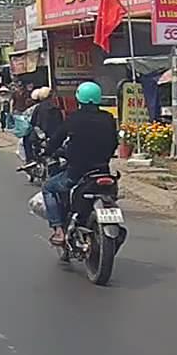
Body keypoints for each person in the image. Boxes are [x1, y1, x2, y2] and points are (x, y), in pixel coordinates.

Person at [41, 81, 118, 246]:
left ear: (79, 99)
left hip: (77, 172)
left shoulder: (73, 118)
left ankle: (58, 230)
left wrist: (47, 151)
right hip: (103, 170)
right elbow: (114, 143)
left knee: (48, 188)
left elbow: (55, 140)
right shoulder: (108, 118)